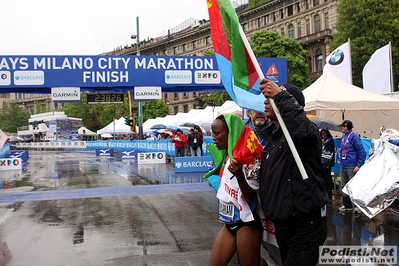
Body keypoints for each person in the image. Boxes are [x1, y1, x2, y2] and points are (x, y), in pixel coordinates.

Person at [258, 79, 329, 266]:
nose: (266, 102)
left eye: (271, 98)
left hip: (305, 226)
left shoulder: (305, 133)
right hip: (283, 225)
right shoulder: (274, 140)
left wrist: (280, 96)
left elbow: (302, 131)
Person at [204, 114, 263, 266]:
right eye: (212, 133)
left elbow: (249, 197)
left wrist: (239, 175)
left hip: (247, 224)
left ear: (231, 133)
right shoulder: (226, 155)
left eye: (217, 133)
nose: (214, 138)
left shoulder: (247, 158)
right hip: (229, 223)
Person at [338, 120, 366, 213]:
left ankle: (358, 207)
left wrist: (358, 165)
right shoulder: (343, 136)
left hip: (352, 165)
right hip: (344, 164)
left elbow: (362, 152)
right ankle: (347, 205)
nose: (341, 128)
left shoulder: (354, 137)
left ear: (347, 127)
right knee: (344, 185)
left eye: (343, 126)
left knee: (354, 186)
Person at [320, 129, 335, 199]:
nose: (323, 135)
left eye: (324, 133)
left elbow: (329, 151)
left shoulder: (330, 141)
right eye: (322, 133)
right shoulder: (321, 141)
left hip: (327, 162)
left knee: (328, 178)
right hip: (322, 162)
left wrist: (324, 144)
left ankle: (329, 192)